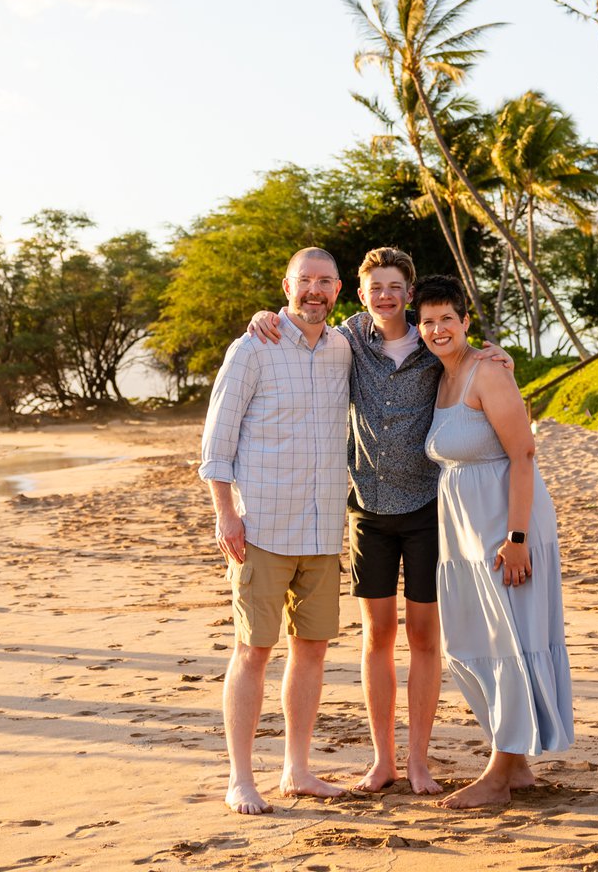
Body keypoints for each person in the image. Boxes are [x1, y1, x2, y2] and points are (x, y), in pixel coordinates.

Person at [248, 247, 511, 794]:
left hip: (424, 510)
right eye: (375, 288)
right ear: (360, 294)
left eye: (395, 287)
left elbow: (470, 361)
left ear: (409, 295)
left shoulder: (432, 345)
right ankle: (382, 760)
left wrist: (497, 354)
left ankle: (418, 760)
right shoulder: (348, 339)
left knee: (421, 636)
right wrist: (266, 316)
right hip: (365, 510)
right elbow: (301, 318)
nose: (385, 296)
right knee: (376, 637)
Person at [198, 247, 353, 815]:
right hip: (259, 525)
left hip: (321, 529)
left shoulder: (345, 347)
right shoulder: (251, 348)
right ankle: (240, 777)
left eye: (325, 282)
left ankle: (297, 770)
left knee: (310, 651)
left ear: (339, 289)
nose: (315, 290)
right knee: (252, 650)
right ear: (287, 285)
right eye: (305, 280)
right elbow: (217, 444)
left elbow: (410, 339)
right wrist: (225, 512)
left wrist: (491, 356)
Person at [415, 273, 573, 809]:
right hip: (462, 534)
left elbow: (524, 455)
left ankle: (499, 775)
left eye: (448, 320)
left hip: (506, 527)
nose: (438, 329)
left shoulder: (489, 373)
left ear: (465, 322)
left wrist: (518, 538)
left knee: (512, 641)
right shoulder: (441, 378)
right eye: (428, 321)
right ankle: (519, 765)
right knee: (477, 643)